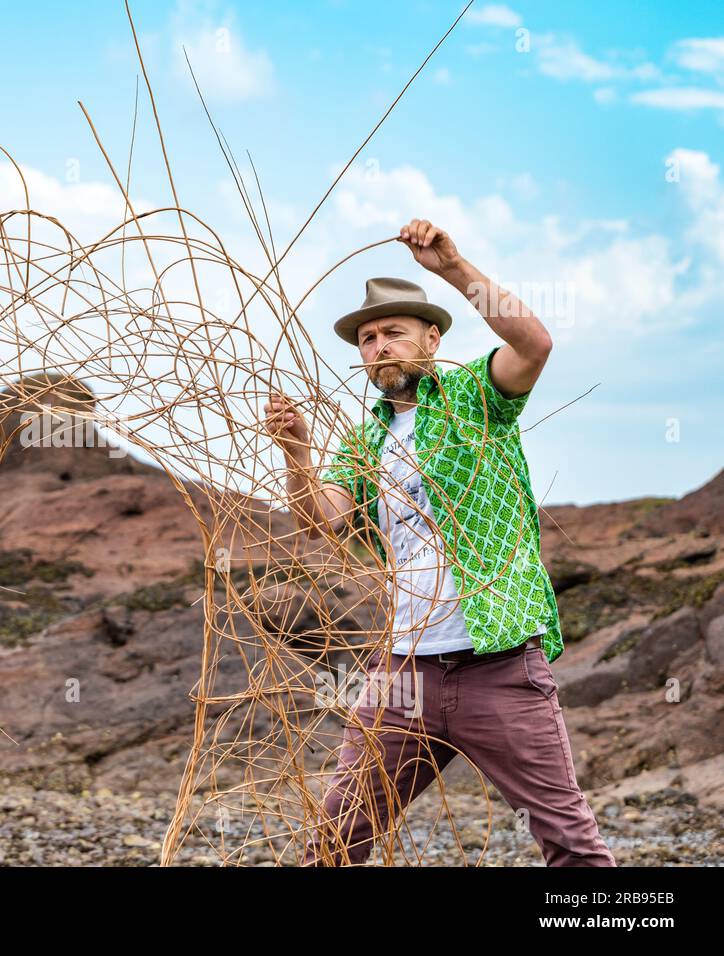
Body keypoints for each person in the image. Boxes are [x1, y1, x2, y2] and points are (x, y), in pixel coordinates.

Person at [264, 218, 615, 866]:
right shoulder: (361, 444)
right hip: (403, 676)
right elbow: (322, 523)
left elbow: (534, 343)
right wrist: (297, 454)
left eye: (393, 331)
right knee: (334, 846)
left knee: (571, 847)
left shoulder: (475, 398)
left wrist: (452, 267)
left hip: (500, 667)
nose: (378, 346)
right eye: (367, 338)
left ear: (432, 337)